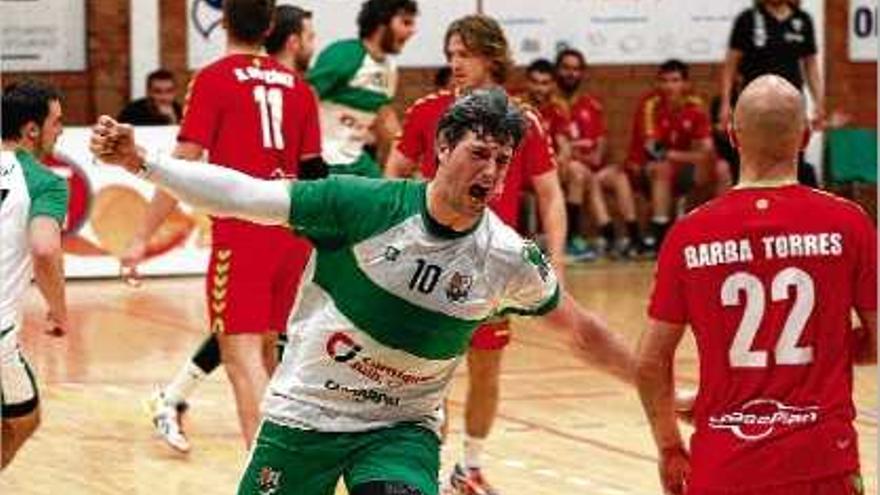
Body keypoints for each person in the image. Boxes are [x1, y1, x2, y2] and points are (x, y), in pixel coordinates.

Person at [91, 87, 642, 495]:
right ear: (443, 148)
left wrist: (657, 386)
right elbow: (244, 194)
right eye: (480, 153)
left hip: (400, 430)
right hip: (305, 416)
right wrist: (143, 161)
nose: (492, 174)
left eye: (502, 161)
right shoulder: (362, 205)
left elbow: (582, 331)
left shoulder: (506, 256)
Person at [636, 75, 877, 495]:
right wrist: (828, 351)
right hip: (823, 461)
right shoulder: (849, 223)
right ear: (804, 136)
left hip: (725, 465)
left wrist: (670, 447)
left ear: (731, 135)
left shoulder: (689, 234)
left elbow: (651, 362)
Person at [128, 0, 321, 452]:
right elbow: (314, 172)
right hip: (292, 232)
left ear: (222, 21)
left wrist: (140, 237)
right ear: (271, 25)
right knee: (270, 353)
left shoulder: (214, 79)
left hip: (242, 233)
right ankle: (289, 470)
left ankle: (265, 478)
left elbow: (182, 165)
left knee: (240, 356)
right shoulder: (298, 86)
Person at [386, 16, 567, 494]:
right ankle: (417, 469)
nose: (455, 64)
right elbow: (393, 177)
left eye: (463, 54)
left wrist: (558, 265)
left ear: (491, 56)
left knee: (486, 370)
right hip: (428, 267)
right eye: (450, 55)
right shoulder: (428, 111)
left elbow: (550, 195)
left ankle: (469, 466)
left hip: (490, 271)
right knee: (425, 377)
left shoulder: (521, 120)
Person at [1, 80, 70, 469]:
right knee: (24, 418)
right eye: (56, 121)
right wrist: (59, 310)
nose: (59, 130)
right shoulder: (44, 182)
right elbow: (45, 248)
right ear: (31, 129)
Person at [307, 0, 417, 177]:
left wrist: (407, 165)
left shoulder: (390, 69)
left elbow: (385, 119)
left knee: (387, 196)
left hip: (356, 161)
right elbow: (305, 96)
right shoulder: (345, 53)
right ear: (382, 23)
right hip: (323, 161)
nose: (412, 31)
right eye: (405, 23)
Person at [719, 0, 823, 187]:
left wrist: (819, 102)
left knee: (793, 160)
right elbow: (730, 65)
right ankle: (750, 209)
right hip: (754, 106)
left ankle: (789, 210)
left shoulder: (802, 20)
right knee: (750, 158)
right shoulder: (748, 19)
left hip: (789, 106)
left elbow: (811, 65)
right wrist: (726, 102)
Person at [554, 49, 646, 258]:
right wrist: (579, 156)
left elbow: (599, 150)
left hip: (589, 168)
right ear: (557, 71)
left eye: (576, 69)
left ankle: (634, 238)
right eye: (566, 68)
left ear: (582, 73)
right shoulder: (550, 105)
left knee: (619, 176)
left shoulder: (591, 105)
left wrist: (586, 155)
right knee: (579, 171)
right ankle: (575, 238)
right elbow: (559, 151)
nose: (571, 73)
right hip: (563, 170)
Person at [625, 59, 713, 251]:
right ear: (658, 83)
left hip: (683, 167)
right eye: (664, 81)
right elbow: (654, 151)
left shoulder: (696, 106)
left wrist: (678, 155)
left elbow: (706, 150)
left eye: (675, 80)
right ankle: (661, 238)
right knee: (662, 168)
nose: (669, 86)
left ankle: (716, 232)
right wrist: (688, 156)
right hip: (647, 167)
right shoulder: (650, 105)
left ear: (686, 84)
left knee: (719, 169)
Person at [522, 58, 595, 262]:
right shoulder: (517, 105)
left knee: (577, 171)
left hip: (544, 169)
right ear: (527, 82)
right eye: (535, 82)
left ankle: (571, 239)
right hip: (517, 171)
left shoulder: (558, 107)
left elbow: (564, 145)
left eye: (545, 83)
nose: (540, 88)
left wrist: (559, 162)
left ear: (552, 84)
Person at [117, 69, 183, 125]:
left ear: (175, 92)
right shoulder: (132, 112)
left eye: (169, 91)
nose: (164, 97)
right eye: (157, 91)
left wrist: (172, 119)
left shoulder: (179, 111)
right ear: (149, 92)